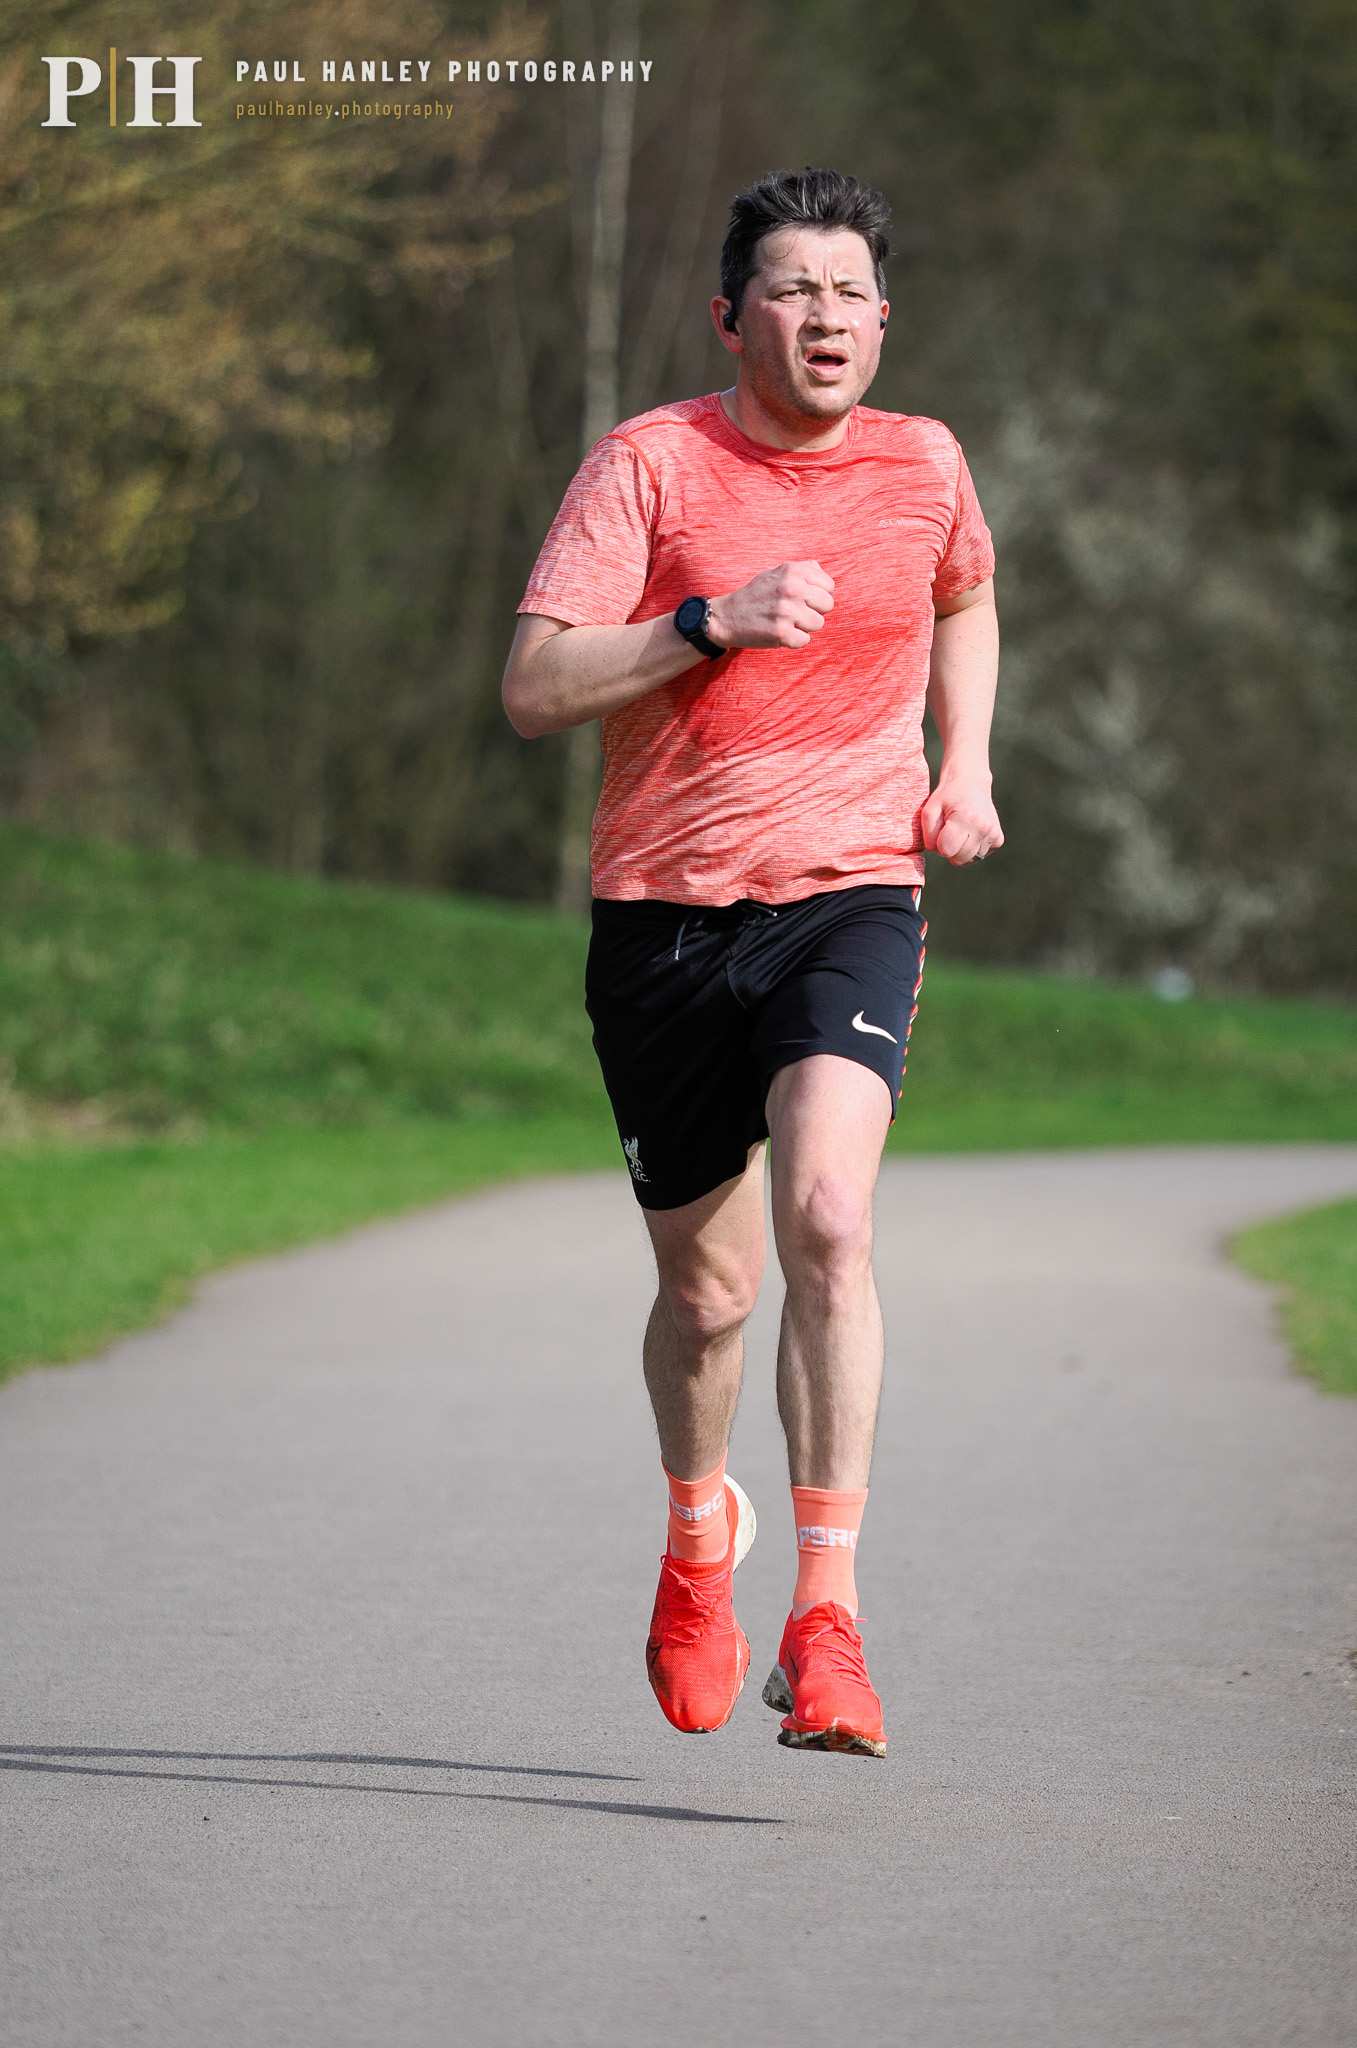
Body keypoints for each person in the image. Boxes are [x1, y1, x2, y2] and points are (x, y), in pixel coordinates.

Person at [502, 167, 1002, 1758]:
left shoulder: (924, 462)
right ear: (734, 319)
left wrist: (968, 761)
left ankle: (830, 1616)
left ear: (883, 319)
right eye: (794, 290)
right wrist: (706, 622)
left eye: (853, 291)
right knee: (709, 1296)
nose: (829, 317)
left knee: (831, 1221)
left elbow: (967, 591)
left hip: (851, 887)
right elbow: (532, 685)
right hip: (661, 916)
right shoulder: (649, 465)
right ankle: (698, 1539)